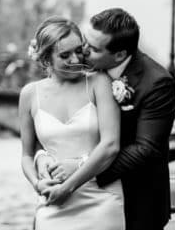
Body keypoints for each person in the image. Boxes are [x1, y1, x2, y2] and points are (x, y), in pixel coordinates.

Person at [36, 8, 175, 230]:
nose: (82, 52)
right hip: (76, 195)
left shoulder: (156, 82)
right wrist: (42, 157)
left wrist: (83, 168)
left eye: (92, 49)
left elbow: (146, 148)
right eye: (85, 42)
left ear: (119, 55)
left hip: (135, 199)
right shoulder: (80, 74)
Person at [19, 15, 123, 230]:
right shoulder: (30, 94)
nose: (76, 60)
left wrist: (69, 184)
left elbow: (110, 145)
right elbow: (27, 155)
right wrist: (38, 184)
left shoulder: (98, 82)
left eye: (78, 50)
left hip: (100, 201)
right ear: (46, 59)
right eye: (65, 55)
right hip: (54, 203)